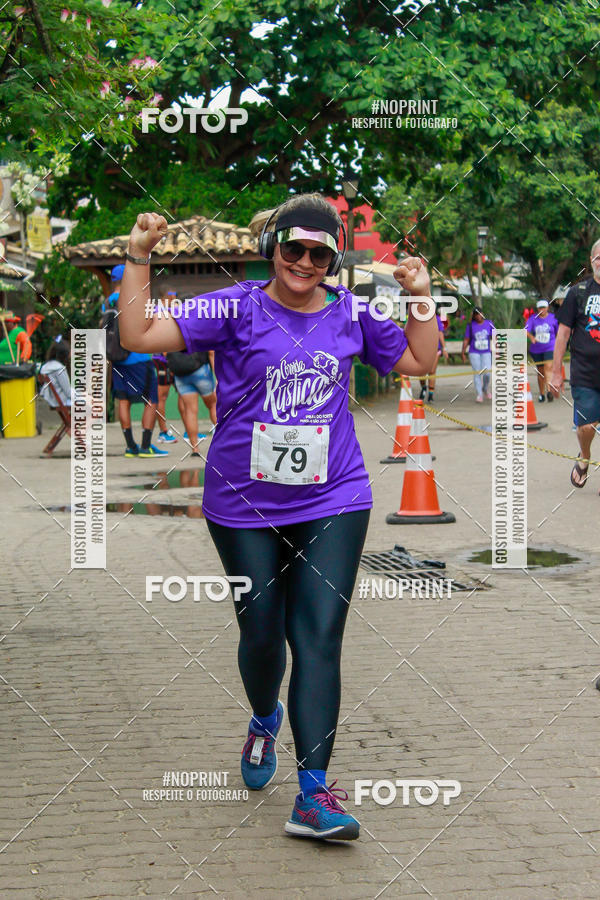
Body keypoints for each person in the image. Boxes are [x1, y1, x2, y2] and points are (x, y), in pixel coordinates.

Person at [117, 194, 438, 841]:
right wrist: (137, 256)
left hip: (334, 497)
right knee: (262, 635)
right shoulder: (235, 306)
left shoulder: (350, 313)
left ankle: (313, 795)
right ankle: (264, 717)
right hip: (243, 503)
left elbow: (419, 360)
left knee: (317, 638)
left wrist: (422, 296)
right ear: (274, 249)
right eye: (294, 248)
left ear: (332, 259)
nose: (306, 262)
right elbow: (138, 336)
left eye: (320, 253)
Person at [550, 238, 600, 487]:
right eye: (599, 257)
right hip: (585, 375)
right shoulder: (578, 293)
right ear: (592, 261)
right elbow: (563, 335)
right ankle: (585, 456)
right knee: (586, 426)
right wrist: (556, 372)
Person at [104, 264, 168, 458]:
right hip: (138, 358)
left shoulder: (106, 303)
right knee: (151, 399)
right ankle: (146, 446)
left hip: (117, 360)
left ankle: (130, 446)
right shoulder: (132, 299)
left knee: (123, 400)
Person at [167, 348, 217, 456]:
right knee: (213, 405)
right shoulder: (199, 330)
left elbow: (166, 351)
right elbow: (211, 352)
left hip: (180, 374)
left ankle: (195, 449)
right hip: (200, 370)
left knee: (190, 411)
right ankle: (223, 443)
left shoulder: (173, 331)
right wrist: (216, 375)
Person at [526, 299, 559, 402]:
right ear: (537, 309)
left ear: (547, 308)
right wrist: (531, 337)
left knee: (548, 367)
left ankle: (549, 391)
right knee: (540, 372)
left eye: (544, 307)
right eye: (540, 308)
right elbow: (525, 330)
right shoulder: (532, 319)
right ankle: (542, 393)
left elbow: (559, 332)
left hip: (550, 347)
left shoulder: (553, 318)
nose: (542, 310)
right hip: (536, 349)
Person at [461, 307, 495, 402]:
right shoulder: (471, 325)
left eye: (479, 313)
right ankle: (479, 394)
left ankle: (485, 388)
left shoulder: (489, 323)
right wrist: (463, 352)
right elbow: (466, 339)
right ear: (474, 316)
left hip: (486, 352)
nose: (478, 316)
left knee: (487, 372)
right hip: (474, 352)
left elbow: (495, 336)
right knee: (477, 373)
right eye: (476, 314)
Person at [418, 307, 448, 402]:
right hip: (422, 349)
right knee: (421, 371)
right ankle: (423, 387)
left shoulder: (437, 319)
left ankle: (430, 395)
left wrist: (444, 348)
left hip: (435, 349)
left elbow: (440, 334)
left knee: (432, 371)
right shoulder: (419, 319)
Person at [39, 336, 71, 408]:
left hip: (54, 400)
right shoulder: (59, 369)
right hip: (63, 401)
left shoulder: (46, 367)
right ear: (65, 354)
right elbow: (68, 393)